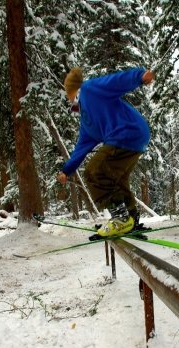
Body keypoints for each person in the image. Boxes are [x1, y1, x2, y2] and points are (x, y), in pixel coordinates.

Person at [57, 67, 155, 237]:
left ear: (73, 90)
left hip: (126, 132)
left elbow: (116, 81)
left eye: (68, 94)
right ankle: (131, 220)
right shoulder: (87, 121)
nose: (69, 100)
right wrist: (67, 170)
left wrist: (139, 77)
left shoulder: (89, 89)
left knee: (95, 172)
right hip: (135, 137)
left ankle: (121, 219)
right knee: (117, 179)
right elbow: (82, 146)